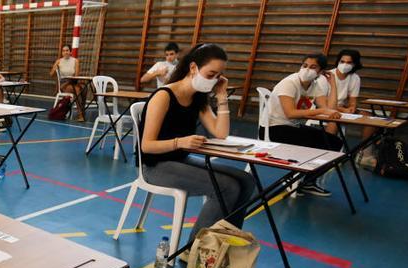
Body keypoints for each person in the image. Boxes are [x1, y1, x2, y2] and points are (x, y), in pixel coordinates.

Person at [140, 43, 255, 244]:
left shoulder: (197, 98)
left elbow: (221, 133)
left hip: (180, 160)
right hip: (156, 166)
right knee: (226, 187)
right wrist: (179, 142)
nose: (214, 80)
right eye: (211, 74)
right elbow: (146, 146)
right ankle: (196, 248)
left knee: (246, 180)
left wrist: (221, 96)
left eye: (218, 76)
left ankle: (223, 242)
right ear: (193, 68)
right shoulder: (164, 96)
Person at [260, 53, 343, 197]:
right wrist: (323, 110)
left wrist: (333, 84)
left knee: (335, 142)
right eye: (305, 66)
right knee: (318, 145)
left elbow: (329, 109)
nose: (307, 69)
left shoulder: (315, 85)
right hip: (274, 129)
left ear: (321, 72)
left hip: (292, 127)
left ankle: (307, 182)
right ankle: (297, 180)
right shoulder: (290, 82)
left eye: (313, 67)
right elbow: (290, 113)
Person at [319, 49, 377, 169]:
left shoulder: (355, 78)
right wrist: (343, 110)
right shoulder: (327, 76)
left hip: (342, 108)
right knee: (334, 121)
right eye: (342, 61)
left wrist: (351, 109)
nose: (345, 64)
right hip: (324, 107)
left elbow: (353, 101)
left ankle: (364, 155)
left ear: (354, 64)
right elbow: (323, 103)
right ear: (338, 61)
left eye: (349, 62)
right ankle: (328, 155)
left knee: (370, 118)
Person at [50, 44, 86, 121]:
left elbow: (76, 76)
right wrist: (54, 68)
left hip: (72, 82)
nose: (65, 52)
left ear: (70, 52)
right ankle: (80, 114)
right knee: (77, 90)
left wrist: (72, 81)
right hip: (63, 84)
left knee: (84, 88)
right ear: (62, 52)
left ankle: (82, 111)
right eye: (63, 51)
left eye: (67, 50)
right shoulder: (58, 61)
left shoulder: (76, 61)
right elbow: (51, 74)